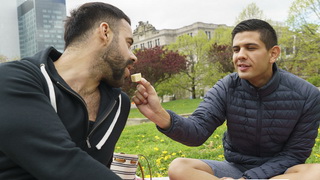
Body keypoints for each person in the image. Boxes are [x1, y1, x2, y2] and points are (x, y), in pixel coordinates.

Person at [132, 19, 320, 179]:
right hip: (235, 168)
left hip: (281, 172)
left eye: (250, 48)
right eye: (236, 49)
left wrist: (250, 178)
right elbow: (197, 131)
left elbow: (294, 155)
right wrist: (160, 115)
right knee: (178, 167)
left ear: (273, 53)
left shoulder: (307, 95)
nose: (240, 56)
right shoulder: (226, 87)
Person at [0, 2, 137, 179]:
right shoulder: (13, 79)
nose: (133, 56)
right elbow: (62, 164)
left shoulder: (119, 104)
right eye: (128, 43)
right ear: (105, 32)